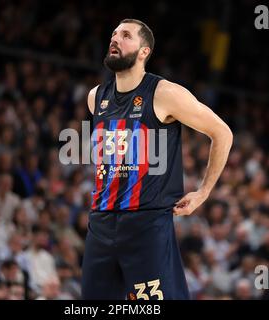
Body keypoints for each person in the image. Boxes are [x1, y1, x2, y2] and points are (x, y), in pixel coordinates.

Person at [82, 18, 233, 300]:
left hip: (147, 225)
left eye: (126, 35)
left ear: (144, 52)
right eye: (113, 33)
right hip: (100, 225)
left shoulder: (165, 94)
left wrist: (203, 193)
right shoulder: (95, 97)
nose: (115, 39)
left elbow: (222, 133)